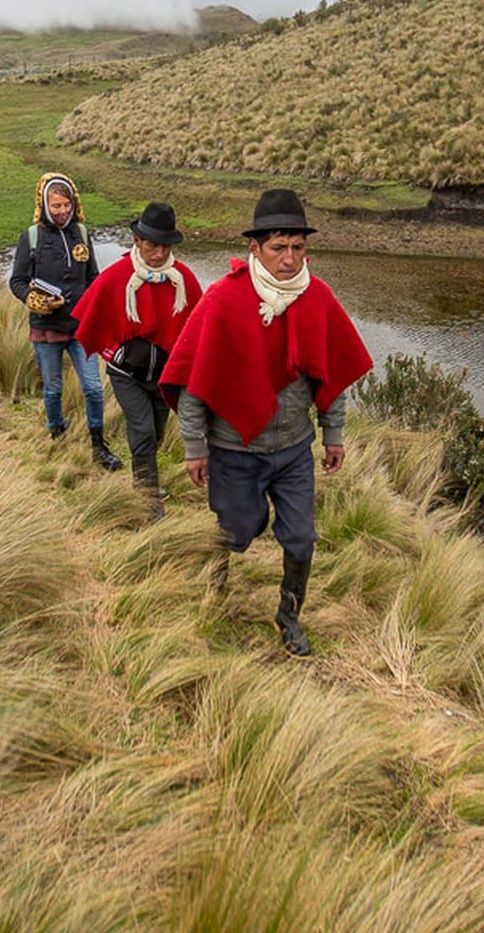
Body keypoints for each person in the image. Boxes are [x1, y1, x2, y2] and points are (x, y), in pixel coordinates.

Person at [160, 189, 372, 656]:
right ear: (255, 248)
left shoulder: (317, 298)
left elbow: (331, 375)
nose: (290, 258)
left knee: (301, 540)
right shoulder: (222, 299)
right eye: (279, 247)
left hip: (294, 448)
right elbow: (194, 380)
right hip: (234, 448)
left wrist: (332, 435)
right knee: (238, 531)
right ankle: (215, 574)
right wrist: (195, 447)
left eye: (297, 247)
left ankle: (288, 615)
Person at [72, 202, 202, 517]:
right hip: (125, 373)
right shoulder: (117, 276)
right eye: (152, 245)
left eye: (165, 246)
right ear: (137, 241)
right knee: (142, 429)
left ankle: (144, 476)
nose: (158, 253)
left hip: (164, 376)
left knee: (156, 433)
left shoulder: (181, 279)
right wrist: (113, 351)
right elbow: (92, 319)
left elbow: (198, 327)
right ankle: (147, 499)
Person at [9, 173, 121, 470]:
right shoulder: (31, 237)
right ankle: (57, 431)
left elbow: (93, 278)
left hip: (80, 328)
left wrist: (100, 308)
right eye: (55, 205)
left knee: (94, 388)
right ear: (44, 204)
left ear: (74, 203)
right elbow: (17, 281)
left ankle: (98, 445)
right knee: (53, 388)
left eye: (66, 205)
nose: (61, 211)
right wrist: (36, 302)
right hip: (46, 328)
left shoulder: (82, 234)